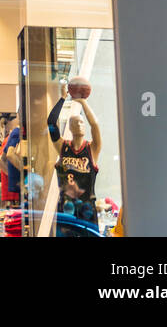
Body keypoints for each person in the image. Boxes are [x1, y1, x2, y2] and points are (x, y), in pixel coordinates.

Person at [47, 79, 102, 236]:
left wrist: (82, 102)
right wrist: (63, 98)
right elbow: (51, 122)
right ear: (69, 127)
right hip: (66, 207)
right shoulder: (63, 147)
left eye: (82, 123)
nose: (79, 125)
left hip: (87, 209)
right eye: (75, 122)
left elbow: (95, 125)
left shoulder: (92, 149)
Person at [0, 115, 22, 207]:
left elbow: (0, 160)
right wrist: (22, 171)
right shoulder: (16, 134)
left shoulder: (9, 138)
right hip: (13, 191)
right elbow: (7, 156)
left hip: (10, 190)